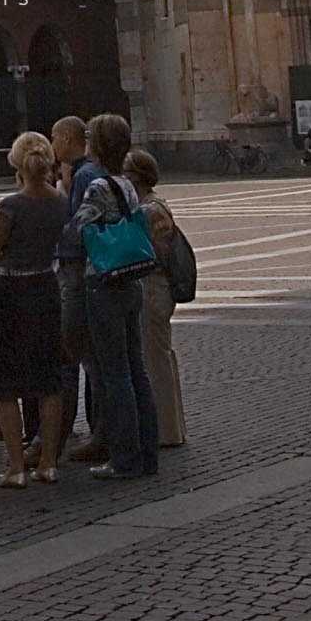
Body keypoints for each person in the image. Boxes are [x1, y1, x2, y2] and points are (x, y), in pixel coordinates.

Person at [76, 113, 159, 481]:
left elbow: (76, 228)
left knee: (115, 372)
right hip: (132, 281)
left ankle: (124, 457)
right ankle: (148, 451)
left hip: (105, 280)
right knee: (136, 368)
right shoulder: (127, 184)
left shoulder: (96, 187)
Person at [0, 131, 68, 485]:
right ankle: (48, 461)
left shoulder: (11, 206)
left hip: (11, 290)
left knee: (4, 381)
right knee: (49, 378)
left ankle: (16, 467)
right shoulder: (60, 202)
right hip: (46, 287)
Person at [52, 113, 106, 463]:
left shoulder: (83, 174)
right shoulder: (88, 171)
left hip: (77, 275)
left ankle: (95, 433)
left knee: (80, 353)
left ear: (69, 139)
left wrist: (62, 195)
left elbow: (75, 229)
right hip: (89, 273)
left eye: (55, 138)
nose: (52, 145)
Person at [126, 147, 185, 448]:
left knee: (156, 358)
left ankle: (166, 431)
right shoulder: (154, 205)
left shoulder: (150, 210)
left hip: (153, 288)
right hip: (156, 288)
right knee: (160, 355)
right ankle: (171, 426)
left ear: (136, 177)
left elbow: (156, 253)